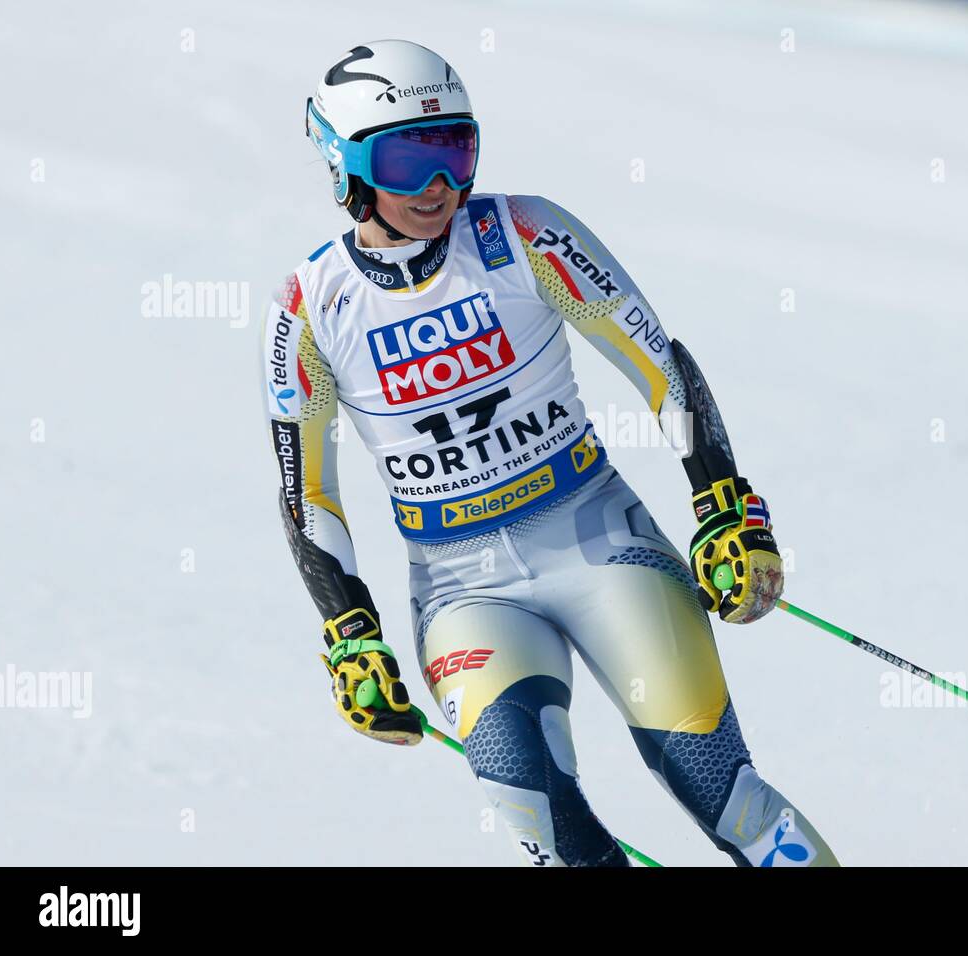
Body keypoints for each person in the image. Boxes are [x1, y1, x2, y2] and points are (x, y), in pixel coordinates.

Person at [263, 38, 837, 867]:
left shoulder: (520, 233)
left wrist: (723, 507)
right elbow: (307, 493)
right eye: (405, 160)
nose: (438, 188)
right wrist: (352, 634)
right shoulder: (310, 309)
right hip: (462, 590)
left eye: (456, 151)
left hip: (601, 545)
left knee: (726, 797)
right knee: (547, 825)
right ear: (341, 164)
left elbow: (657, 363)